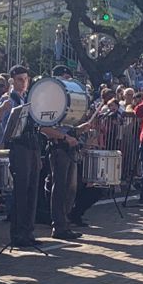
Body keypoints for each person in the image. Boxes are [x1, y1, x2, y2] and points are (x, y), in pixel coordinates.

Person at [1, 66, 42, 248]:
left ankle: (28, 231)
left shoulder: (28, 98)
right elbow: (6, 128)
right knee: (21, 191)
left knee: (32, 190)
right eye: (19, 79)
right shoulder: (9, 99)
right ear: (12, 80)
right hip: (19, 147)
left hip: (32, 145)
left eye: (26, 79)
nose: (23, 83)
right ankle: (18, 234)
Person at [45, 65, 84, 242]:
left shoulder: (66, 103)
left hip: (68, 146)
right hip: (58, 147)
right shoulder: (49, 100)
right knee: (60, 187)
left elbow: (70, 128)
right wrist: (64, 137)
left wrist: (79, 131)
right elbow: (44, 128)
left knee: (71, 187)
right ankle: (58, 224)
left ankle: (65, 221)